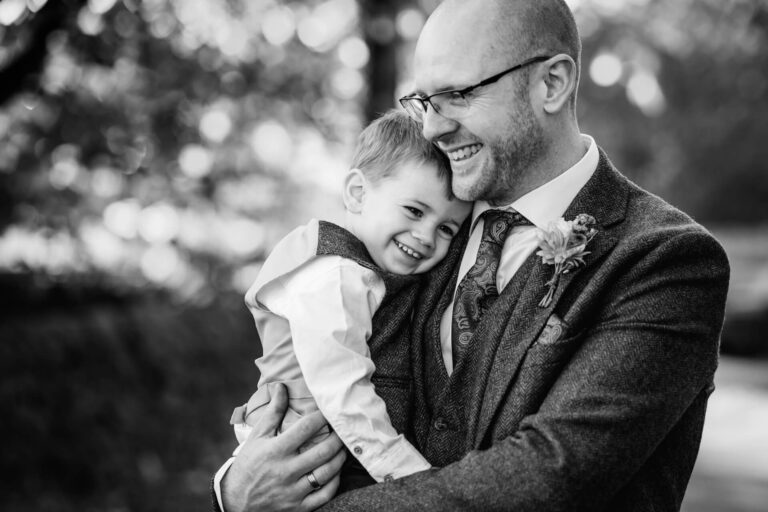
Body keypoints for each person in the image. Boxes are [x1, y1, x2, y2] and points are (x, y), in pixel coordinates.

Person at [214, 0, 730, 510]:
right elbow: (312, 373)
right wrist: (235, 490)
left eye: (457, 94)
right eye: (426, 101)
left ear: (551, 83)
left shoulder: (669, 261)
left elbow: (551, 476)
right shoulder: (423, 221)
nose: (434, 127)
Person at [213, 110, 471, 510]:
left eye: (446, 229)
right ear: (357, 193)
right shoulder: (335, 275)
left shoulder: (361, 272)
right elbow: (343, 392)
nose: (425, 237)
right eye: (415, 211)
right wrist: (414, 480)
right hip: (307, 453)